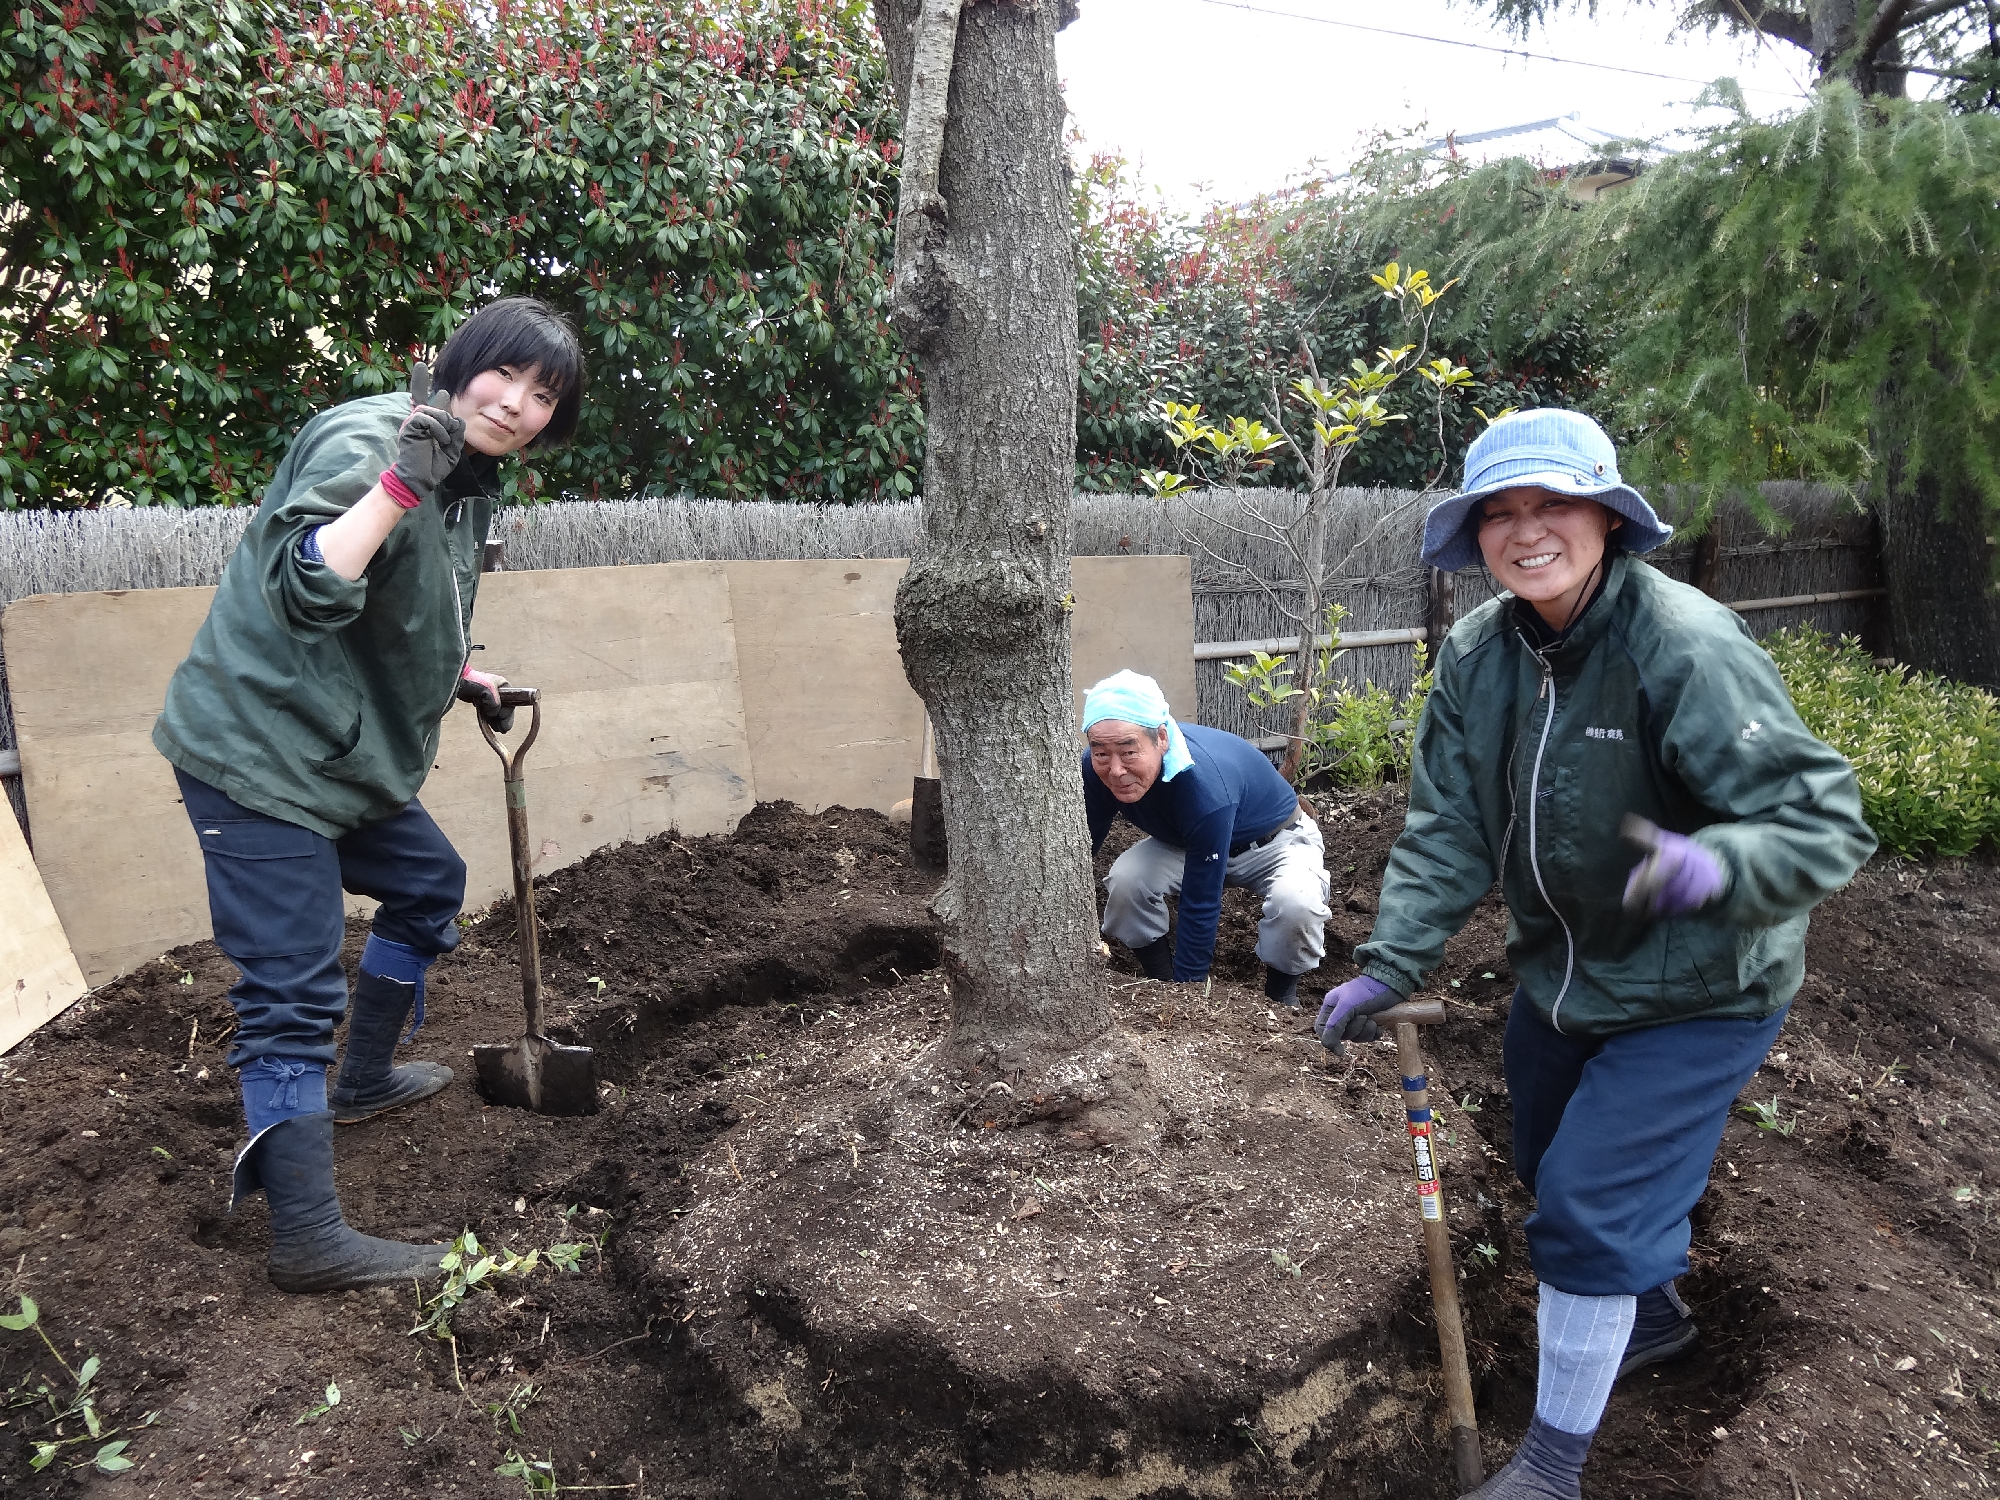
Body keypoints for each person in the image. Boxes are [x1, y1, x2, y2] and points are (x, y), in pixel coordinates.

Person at [1314, 409, 1875, 1498]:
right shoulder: (1478, 655)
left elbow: (1820, 824)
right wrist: (1392, 959)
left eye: (1551, 504)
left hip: (1699, 989)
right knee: (1544, 1165)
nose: (1526, 531)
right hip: (1563, 978)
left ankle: (1554, 1466)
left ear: (1605, 519)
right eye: (1499, 512)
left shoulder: (1682, 645)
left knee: (1581, 1209)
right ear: (1473, 535)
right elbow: (1446, 826)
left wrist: (1710, 867)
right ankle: (1649, 1313)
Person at [154, 298, 586, 1294]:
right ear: (459, 365)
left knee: (430, 881)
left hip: (339, 756)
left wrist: (459, 677)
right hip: (259, 757)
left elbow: (407, 607)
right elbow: (308, 584)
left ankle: (360, 1083)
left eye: (542, 397)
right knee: (291, 991)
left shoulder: (465, 480)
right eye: (505, 377)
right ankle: (307, 1237)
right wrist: (397, 483)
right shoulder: (373, 444)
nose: (516, 405)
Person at [1081, 670, 1332, 1006]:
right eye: (1102, 753)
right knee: (1127, 880)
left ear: (1162, 738)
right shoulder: (1094, 770)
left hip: (1275, 842)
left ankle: (1281, 995)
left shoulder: (1204, 787)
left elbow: (1201, 901)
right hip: (1187, 842)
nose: (1115, 770)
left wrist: (1189, 996)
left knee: (1296, 903)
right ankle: (1159, 977)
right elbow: (1084, 845)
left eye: (1129, 752)